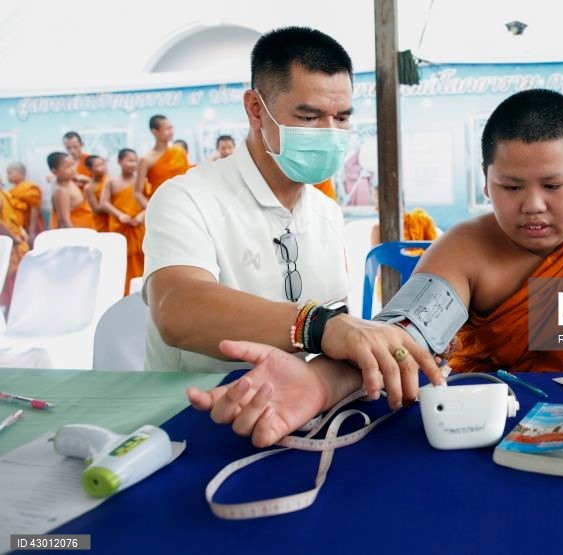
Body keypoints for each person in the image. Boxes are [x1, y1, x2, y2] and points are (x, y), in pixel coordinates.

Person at [187, 89, 563, 448]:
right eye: (510, 186)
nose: (532, 205)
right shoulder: (469, 249)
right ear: (484, 180)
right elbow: (406, 335)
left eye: (555, 184)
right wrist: (320, 378)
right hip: (508, 444)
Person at [143, 27, 438, 386]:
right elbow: (176, 309)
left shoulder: (325, 213)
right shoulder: (188, 198)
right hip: (198, 409)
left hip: (299, 408)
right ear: (256, 109)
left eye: (342, 118)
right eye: (309, 118)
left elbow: (335, 331)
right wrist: (316, 325)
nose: (329, 133)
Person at [100, 148, 145, 295]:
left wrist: (141, 215)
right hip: (120, 227)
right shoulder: (112, 181)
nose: (133, 164)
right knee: (121, 261)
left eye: (135, 161)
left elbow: (150, 202)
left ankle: (143, 290)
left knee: (142, 258)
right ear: (119, 161)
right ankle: (124, 293)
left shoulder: (141, 180)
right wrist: (119, 215)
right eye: (129, 160)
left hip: (138, 226)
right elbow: (104, 202)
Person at [134, 115, 192, 207]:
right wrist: (152, 210)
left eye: (171, 128)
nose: (171, 132)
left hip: (184, 203)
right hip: (160, 204)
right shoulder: (146, 159)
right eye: (167, 129)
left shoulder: (179, 152)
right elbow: (137, 193)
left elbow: (187, 180)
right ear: (155, 132)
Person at [49, 152, 96, 229]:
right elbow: (64, 220)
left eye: (73, 165)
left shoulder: (70, 181)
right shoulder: (61, 191)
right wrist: (74, 237)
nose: (73, 169)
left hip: (85, 227)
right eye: (68, 167)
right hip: (76, 233)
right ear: (54, 171)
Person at [0, 184, 29, 305]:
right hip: (10, 241)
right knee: (12, 278)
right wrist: (13, 237)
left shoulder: (3, 193)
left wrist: (20, 230)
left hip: (15, 237)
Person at [6, 162, 44, 246]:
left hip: (30, 225)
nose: (8, 176)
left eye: (10, 173)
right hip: (18, 226)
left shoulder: (30, 187)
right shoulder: (13, 190)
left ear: (21, 173)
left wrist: (31, 230)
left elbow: (35, 209)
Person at [83, 155, 110, 232]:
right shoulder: (89, 187)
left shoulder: (109, 180)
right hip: (102, 223)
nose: (103, 167)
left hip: (115, 219)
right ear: (89, 169)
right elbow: (96, 210)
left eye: (103, 164)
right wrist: (112, 206)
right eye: (98, 165)